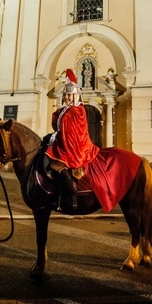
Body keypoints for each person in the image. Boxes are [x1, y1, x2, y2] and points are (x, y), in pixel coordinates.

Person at [45, 69, 99, 209]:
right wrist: (53, 136)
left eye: (70, 95)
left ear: (76, 96)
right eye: (66, 94)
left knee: (57, 165)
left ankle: (72, 197)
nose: (68, 97)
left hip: (75, 146)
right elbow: (60, 128)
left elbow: (73, 132)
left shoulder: (76, 110)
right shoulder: (66, 109)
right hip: (63, 142)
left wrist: (56, 137)